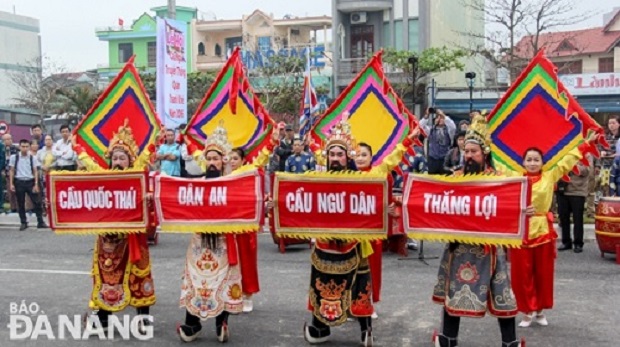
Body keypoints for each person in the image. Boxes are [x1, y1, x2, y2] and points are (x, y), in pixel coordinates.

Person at [303, 116, 419, 346]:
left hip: (355, 244)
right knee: (321, 285)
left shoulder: (364, 178)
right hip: (326, 245)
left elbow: (388, 163)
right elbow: (298, 193)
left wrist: (406, 143)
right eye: (332, 155)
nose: (335, 159)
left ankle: (366, 330)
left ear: (348, 157)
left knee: (359, 287)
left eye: (339, 155)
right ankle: (319, 328)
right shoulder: (319, 178)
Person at [178, 125, 278, 342]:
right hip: (199, 243)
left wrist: (271, 143)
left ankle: (220, 323)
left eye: (216, 158)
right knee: (196, 282)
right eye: (209, 158)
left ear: (223, 160)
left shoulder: (235, 181)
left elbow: (256, 172)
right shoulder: (198, 185)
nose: (212, 162)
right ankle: (191, 324)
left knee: (220, 282)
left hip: (224, 242)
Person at [432, 115, 523, 347]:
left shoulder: (498, 181)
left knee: (503, 295)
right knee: (452, 294)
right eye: (467, 151)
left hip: (489, 249)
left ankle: (510, 342)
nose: (469, 156)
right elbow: (438, 204)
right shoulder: (455, 178)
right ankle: (448, 339)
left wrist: (524, 209)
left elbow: (512, 204)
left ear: (485, 153)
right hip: (458, 248)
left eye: (474, 151)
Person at [495, 133, 597, 327]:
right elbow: (500, 182)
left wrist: (585, 145)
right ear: (523, 162)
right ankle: (526, 311)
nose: (532, 163)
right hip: (521, 231)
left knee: (543, 273)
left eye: (536, 160)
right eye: (529, 160)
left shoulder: (550, 175)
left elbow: (568, 161)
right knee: (521, 275)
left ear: (542, 162)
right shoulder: (516, 178)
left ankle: (540, 310)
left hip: (542, 231)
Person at [72, 121, 158, 332]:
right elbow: (89, 166)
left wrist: (156, 140)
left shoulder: (136, 175)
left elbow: (147, 156)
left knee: (138, 275)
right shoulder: (104, 176)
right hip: (108, 240)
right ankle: (102, 318)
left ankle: (142, 320)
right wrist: (77, 148)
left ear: (130, 160)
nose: (118, 162)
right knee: (106, 276)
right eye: (115, 158)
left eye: (122, 158)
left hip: (132, 239)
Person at [228, 147, 260, 313]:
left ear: (243, 160)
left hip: (245, 226)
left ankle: (248, 295)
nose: (232, 161)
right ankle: (232, 294)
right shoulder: (224, 176)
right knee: (228, 261)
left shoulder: (248, 173)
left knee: (246, 260)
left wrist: (273, 141)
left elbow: (262, 159)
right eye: (230, 158)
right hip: (228, 225)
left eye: (235, 158)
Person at [557, 154, 593, 254]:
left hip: (578, 191)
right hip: (562, 190)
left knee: (578, 219)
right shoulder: (565, 151)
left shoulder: (586, 154)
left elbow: (586, 171)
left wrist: (571, 166)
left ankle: (578, 243)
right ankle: (566, 241)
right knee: (563, 218)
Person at [8, 139, 47, 231]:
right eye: (23, 146)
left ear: (29, 147)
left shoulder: (32, 157)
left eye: (26, 146)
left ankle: (40, 221)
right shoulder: (14, 157)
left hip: (30, 181)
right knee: (20, 203)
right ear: (19, 147)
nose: (24, 148)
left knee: (37, 202)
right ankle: (23, 222)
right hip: (19, 181)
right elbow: (12, 170)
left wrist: (36, 184)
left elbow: (35, 170)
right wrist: (11, 183)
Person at [419, 109, 456, 174]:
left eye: (441, 118)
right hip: (433, 159)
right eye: (437, 117)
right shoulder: (430, 130)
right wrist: (426, 116)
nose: (439, 119)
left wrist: (443, 115)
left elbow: (453, 126)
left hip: (445, 160)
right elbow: (420, 126)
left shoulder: (449, 131)